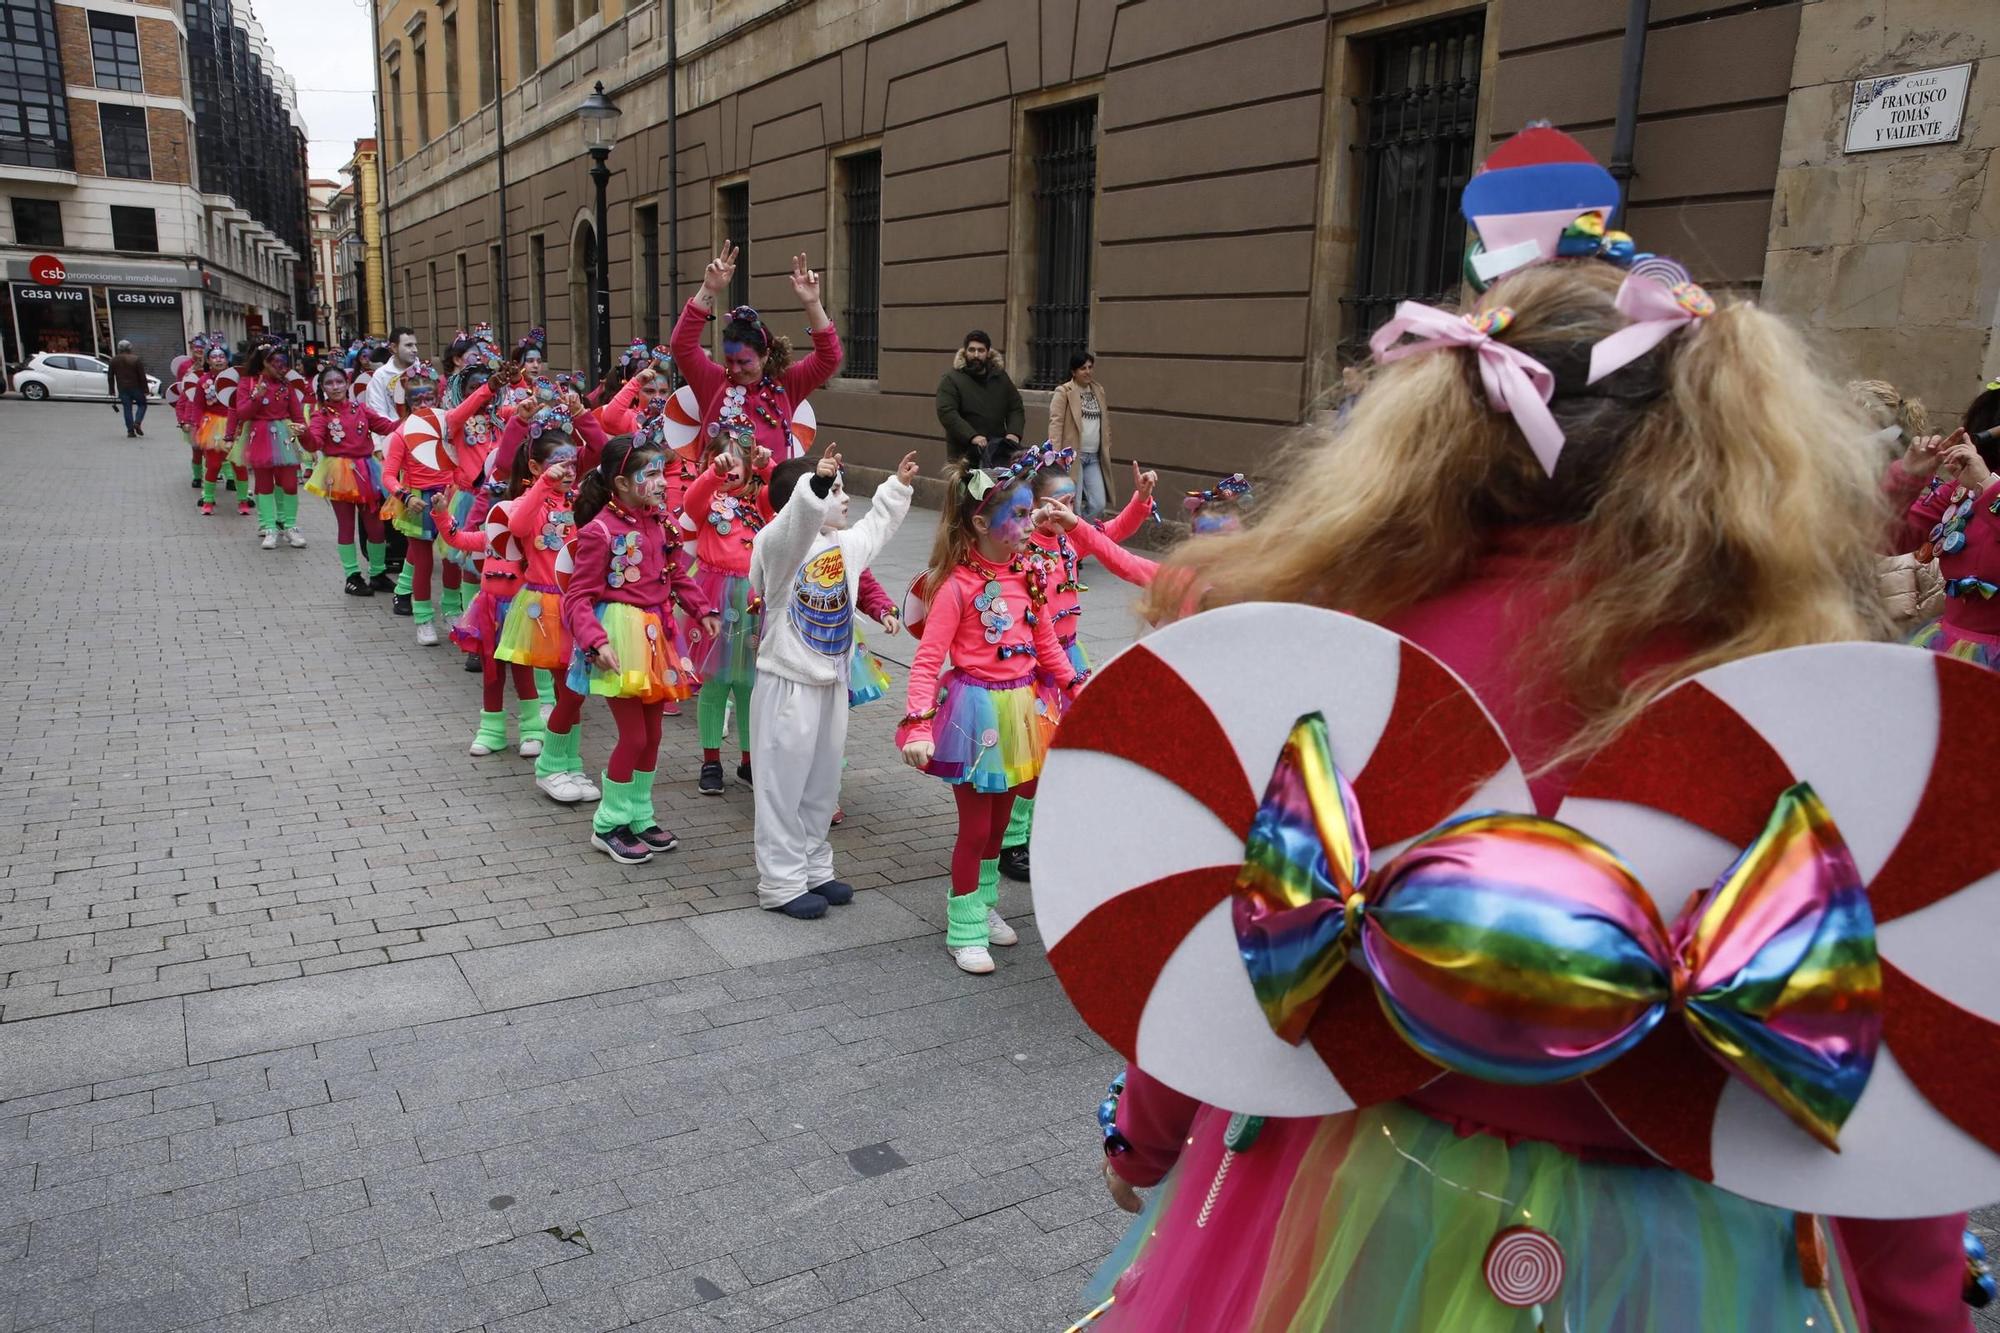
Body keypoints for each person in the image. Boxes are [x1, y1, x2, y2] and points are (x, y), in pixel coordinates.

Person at [1077, 150, 1965, 1326]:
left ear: (1438, 423)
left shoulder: (1330, 656)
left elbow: (1220, 952)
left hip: (1339, 1208)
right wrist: (1918, 1305)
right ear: (1725, 438)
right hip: (1677, 1253)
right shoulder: (1799, 702)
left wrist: (1144, 1142)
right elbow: (1887, 1068)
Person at [896, 445, 1088, 974]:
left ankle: (982, 905)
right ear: (981, 521)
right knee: (975, 828)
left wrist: (1077, 688)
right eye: (1020, 515)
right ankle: (964, 930)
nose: (1031, 524)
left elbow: (1047, 642)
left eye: (1030, 513)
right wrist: (917, 723)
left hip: (1023, 710)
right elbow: (928, 657)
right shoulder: (956, 585)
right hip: (973, 713)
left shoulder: (1028, 574)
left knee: (1001, 827)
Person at [748, 446, 918, 919]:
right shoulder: (778, 546)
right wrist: (815, 487)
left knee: (821, 783)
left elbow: (876, 528)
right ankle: (780, 883)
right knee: (781, 785)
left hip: (831, 682)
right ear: (803, 500)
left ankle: (814, 867)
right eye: (836, 491)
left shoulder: (844, 546)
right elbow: (791, 530)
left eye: (843, 490)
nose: (845, 500)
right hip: (787, 682)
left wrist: (897, 487)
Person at [990, 448, 1158, 887]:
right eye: (1055, 503)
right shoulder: (1021, 547)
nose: (1065, 511)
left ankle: (1037, 828)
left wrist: (1139, 502)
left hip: (1069, 655)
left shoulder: (1073, 536)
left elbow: (1114, 535)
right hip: (1034, 663)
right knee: (1031, 756)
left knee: (1061, 751)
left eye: (1071, 502)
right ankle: (1011, 840)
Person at [563, 436, 719, 865]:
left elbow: (675, 575)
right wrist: (596, 641)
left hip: (659, 636)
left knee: (653, 734)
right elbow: (577, 597)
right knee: (633, 735)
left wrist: (701, 608)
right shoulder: (599, 531)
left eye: (660, 472)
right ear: (621, 482)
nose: (659, 482)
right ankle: (608, 823)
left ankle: (638, 814)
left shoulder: (660, 522)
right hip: (621, 639)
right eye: (647, 474)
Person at [669, 243, 842, 465]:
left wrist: (813, 303)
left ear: (765, 355)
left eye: (744, 361)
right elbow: (681, 344)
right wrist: (709, 289)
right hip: (717, 496)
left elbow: (829, 357)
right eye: (730, 360)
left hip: (771, 496)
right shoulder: (711, 381)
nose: (736, 368)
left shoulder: (787, 384)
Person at [681, 433, 775, 794]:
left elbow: (788, 493)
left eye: (735, 461)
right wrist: (711, 477)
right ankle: (710, 761)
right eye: (719, 461)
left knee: (751, 684)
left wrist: (768, 464)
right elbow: (692, 501)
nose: (729, 467)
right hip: (715, 599)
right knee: (715, 682)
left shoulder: (761, 500)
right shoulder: (708, 501)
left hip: (754, 600)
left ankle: (750, 762)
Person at [439, 438, 543, 759]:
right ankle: (491, 730)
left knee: (523, 672)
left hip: (521, 609)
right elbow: (457, 538)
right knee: (491, 672)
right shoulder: (488, 536)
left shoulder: (530, 537)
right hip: (488, 609)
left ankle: (532, 730)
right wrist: (442, 515)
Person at [380, 361, 495, 644]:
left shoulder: (447, 427)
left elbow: (459, 464)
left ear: (438, 398)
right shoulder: (400, 434)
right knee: (422, 563)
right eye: (416, 399)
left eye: (428, 398)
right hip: (417, 500)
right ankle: (423, 619)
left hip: (449, 497)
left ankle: (452, 611)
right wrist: (404, 496)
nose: (423, 404)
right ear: (406, 403)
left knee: (452, 560)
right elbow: (388, 475)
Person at [1887, 381, 2000, 667]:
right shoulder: (1960, 491)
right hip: (1950, 647)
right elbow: (1888, 540)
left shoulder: (1981, 485)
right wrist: (1909, 477)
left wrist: (1986, 487)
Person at [303, 367, 399, 594]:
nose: (335, 387)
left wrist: (412, 417)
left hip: (367, 470)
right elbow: (313, 444)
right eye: (329, 383)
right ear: (323, 388)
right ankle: (352, 575)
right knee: (346, 525)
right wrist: (303, 434)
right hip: (339, 474)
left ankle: (377, 573)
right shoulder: (321, 415)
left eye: (339, 382)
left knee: (375, 525)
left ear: (347, 384)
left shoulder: (361, 409)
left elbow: (387, 427)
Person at [227, 345, 310, 550]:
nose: (282, 367)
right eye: (277, 363)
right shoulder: (248, 382)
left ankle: (289, 525)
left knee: (290, 483)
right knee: (264, 484)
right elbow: (243, 413)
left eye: (284, 363)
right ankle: (269, 527)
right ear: (264, 362)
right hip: (259, 434)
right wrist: (257, 395)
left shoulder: (286, 385)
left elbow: (297, 413)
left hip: (284, 435)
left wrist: (304, 432)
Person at [367, 328, 421, 605]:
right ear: (392, 347)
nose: (413, 349)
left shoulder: (421, 372)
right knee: (402, 511)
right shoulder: (381, 377)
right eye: (408, 344)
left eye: (415, 344)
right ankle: (394, 566)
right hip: (395, 446)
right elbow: (376, 413)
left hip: (423, 448)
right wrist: (381, 447)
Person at [935, 331, 1023, 469]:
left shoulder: (1000, 377)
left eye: (981, 350)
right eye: (972, 350)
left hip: (997, 452)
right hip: (964, 455)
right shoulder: (951, 379)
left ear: (988, 353)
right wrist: (972, 436)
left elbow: (1015, 407)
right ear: (965, 352)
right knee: (966, 490)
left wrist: (1014, 433)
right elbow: (946, 412)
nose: (976, 355)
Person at [1047, 354, 1116, 518]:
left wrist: (1107, 440)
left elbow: (1105, 420)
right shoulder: (1064, 391)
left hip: (1094, 457)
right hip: (1073, 457)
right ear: (1073, 371)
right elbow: (1055, 423)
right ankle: (1075, 535)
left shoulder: (1098, 391)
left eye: (1090, 367)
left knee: (1098, 504)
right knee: (1073, 505)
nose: (1087, 372)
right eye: (1082, 368)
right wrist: (1056, 454)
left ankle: (1083, 532)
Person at [108, 339, 150, 439]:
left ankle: (130, 431)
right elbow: (142, 376)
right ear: (130, 348)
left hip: (122, 388)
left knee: (127, 409)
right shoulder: (136, 359)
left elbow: (110, 376)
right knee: (142, 405)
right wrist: (145, 389)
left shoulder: (113, 360)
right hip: (136, 387)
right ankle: (137, 422)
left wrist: (112, 390)